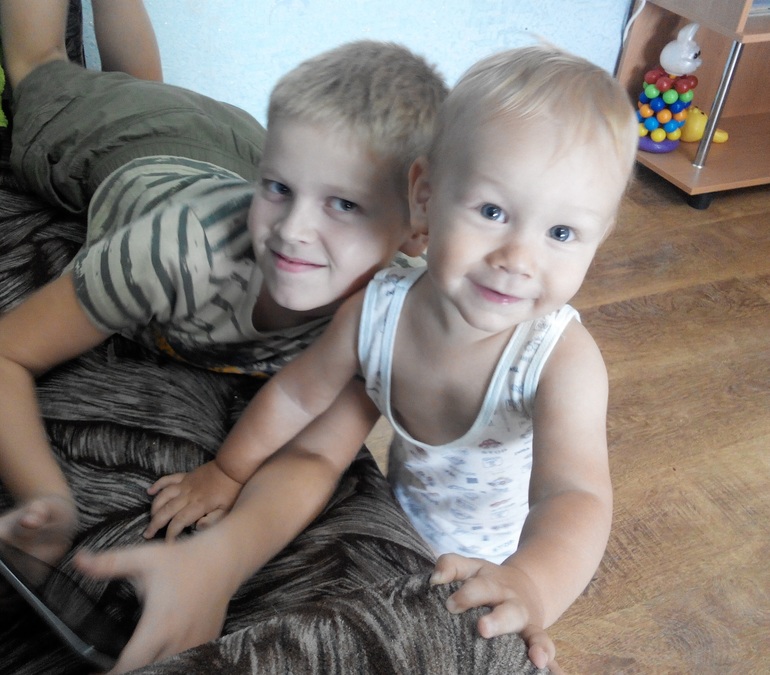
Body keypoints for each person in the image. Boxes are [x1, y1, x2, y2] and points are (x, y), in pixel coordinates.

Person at [145, 42, 638, 654]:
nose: (518, 258)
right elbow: (297, 397)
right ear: (425, 196)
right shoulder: (378, 310)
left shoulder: (561, 361)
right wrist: (228, 470)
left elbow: (575, 496)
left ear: (600, 236)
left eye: (561, 232)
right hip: (398, 518)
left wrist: (532, 585)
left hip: (505, 560)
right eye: (492, 211)